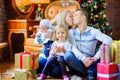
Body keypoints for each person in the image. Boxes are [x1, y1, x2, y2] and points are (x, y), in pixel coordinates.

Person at [64, 8, 113, 80]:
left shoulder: (92, 31)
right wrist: (83, 59)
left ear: (83, 18)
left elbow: (109, 40)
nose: (73, 17)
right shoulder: (71, 32)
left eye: (76, 15)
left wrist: (96, 56)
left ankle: (86, 73)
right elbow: (71, 47)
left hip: (91, 62)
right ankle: (90, 73)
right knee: (68, 55)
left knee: (100, 58)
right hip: (78, 62)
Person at [37, 10, 73, 78]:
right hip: (47, 57)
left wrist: (64, 50)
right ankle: (43, 73)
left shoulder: (69, 32)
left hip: (58, 59)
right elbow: (41, 40)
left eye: (73, 16)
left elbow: (70, 49)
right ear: (64, 17)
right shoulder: (51, 29)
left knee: (57, 72)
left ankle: (46, 72)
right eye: (70, 16)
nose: (73, 18)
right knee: (41, 62)